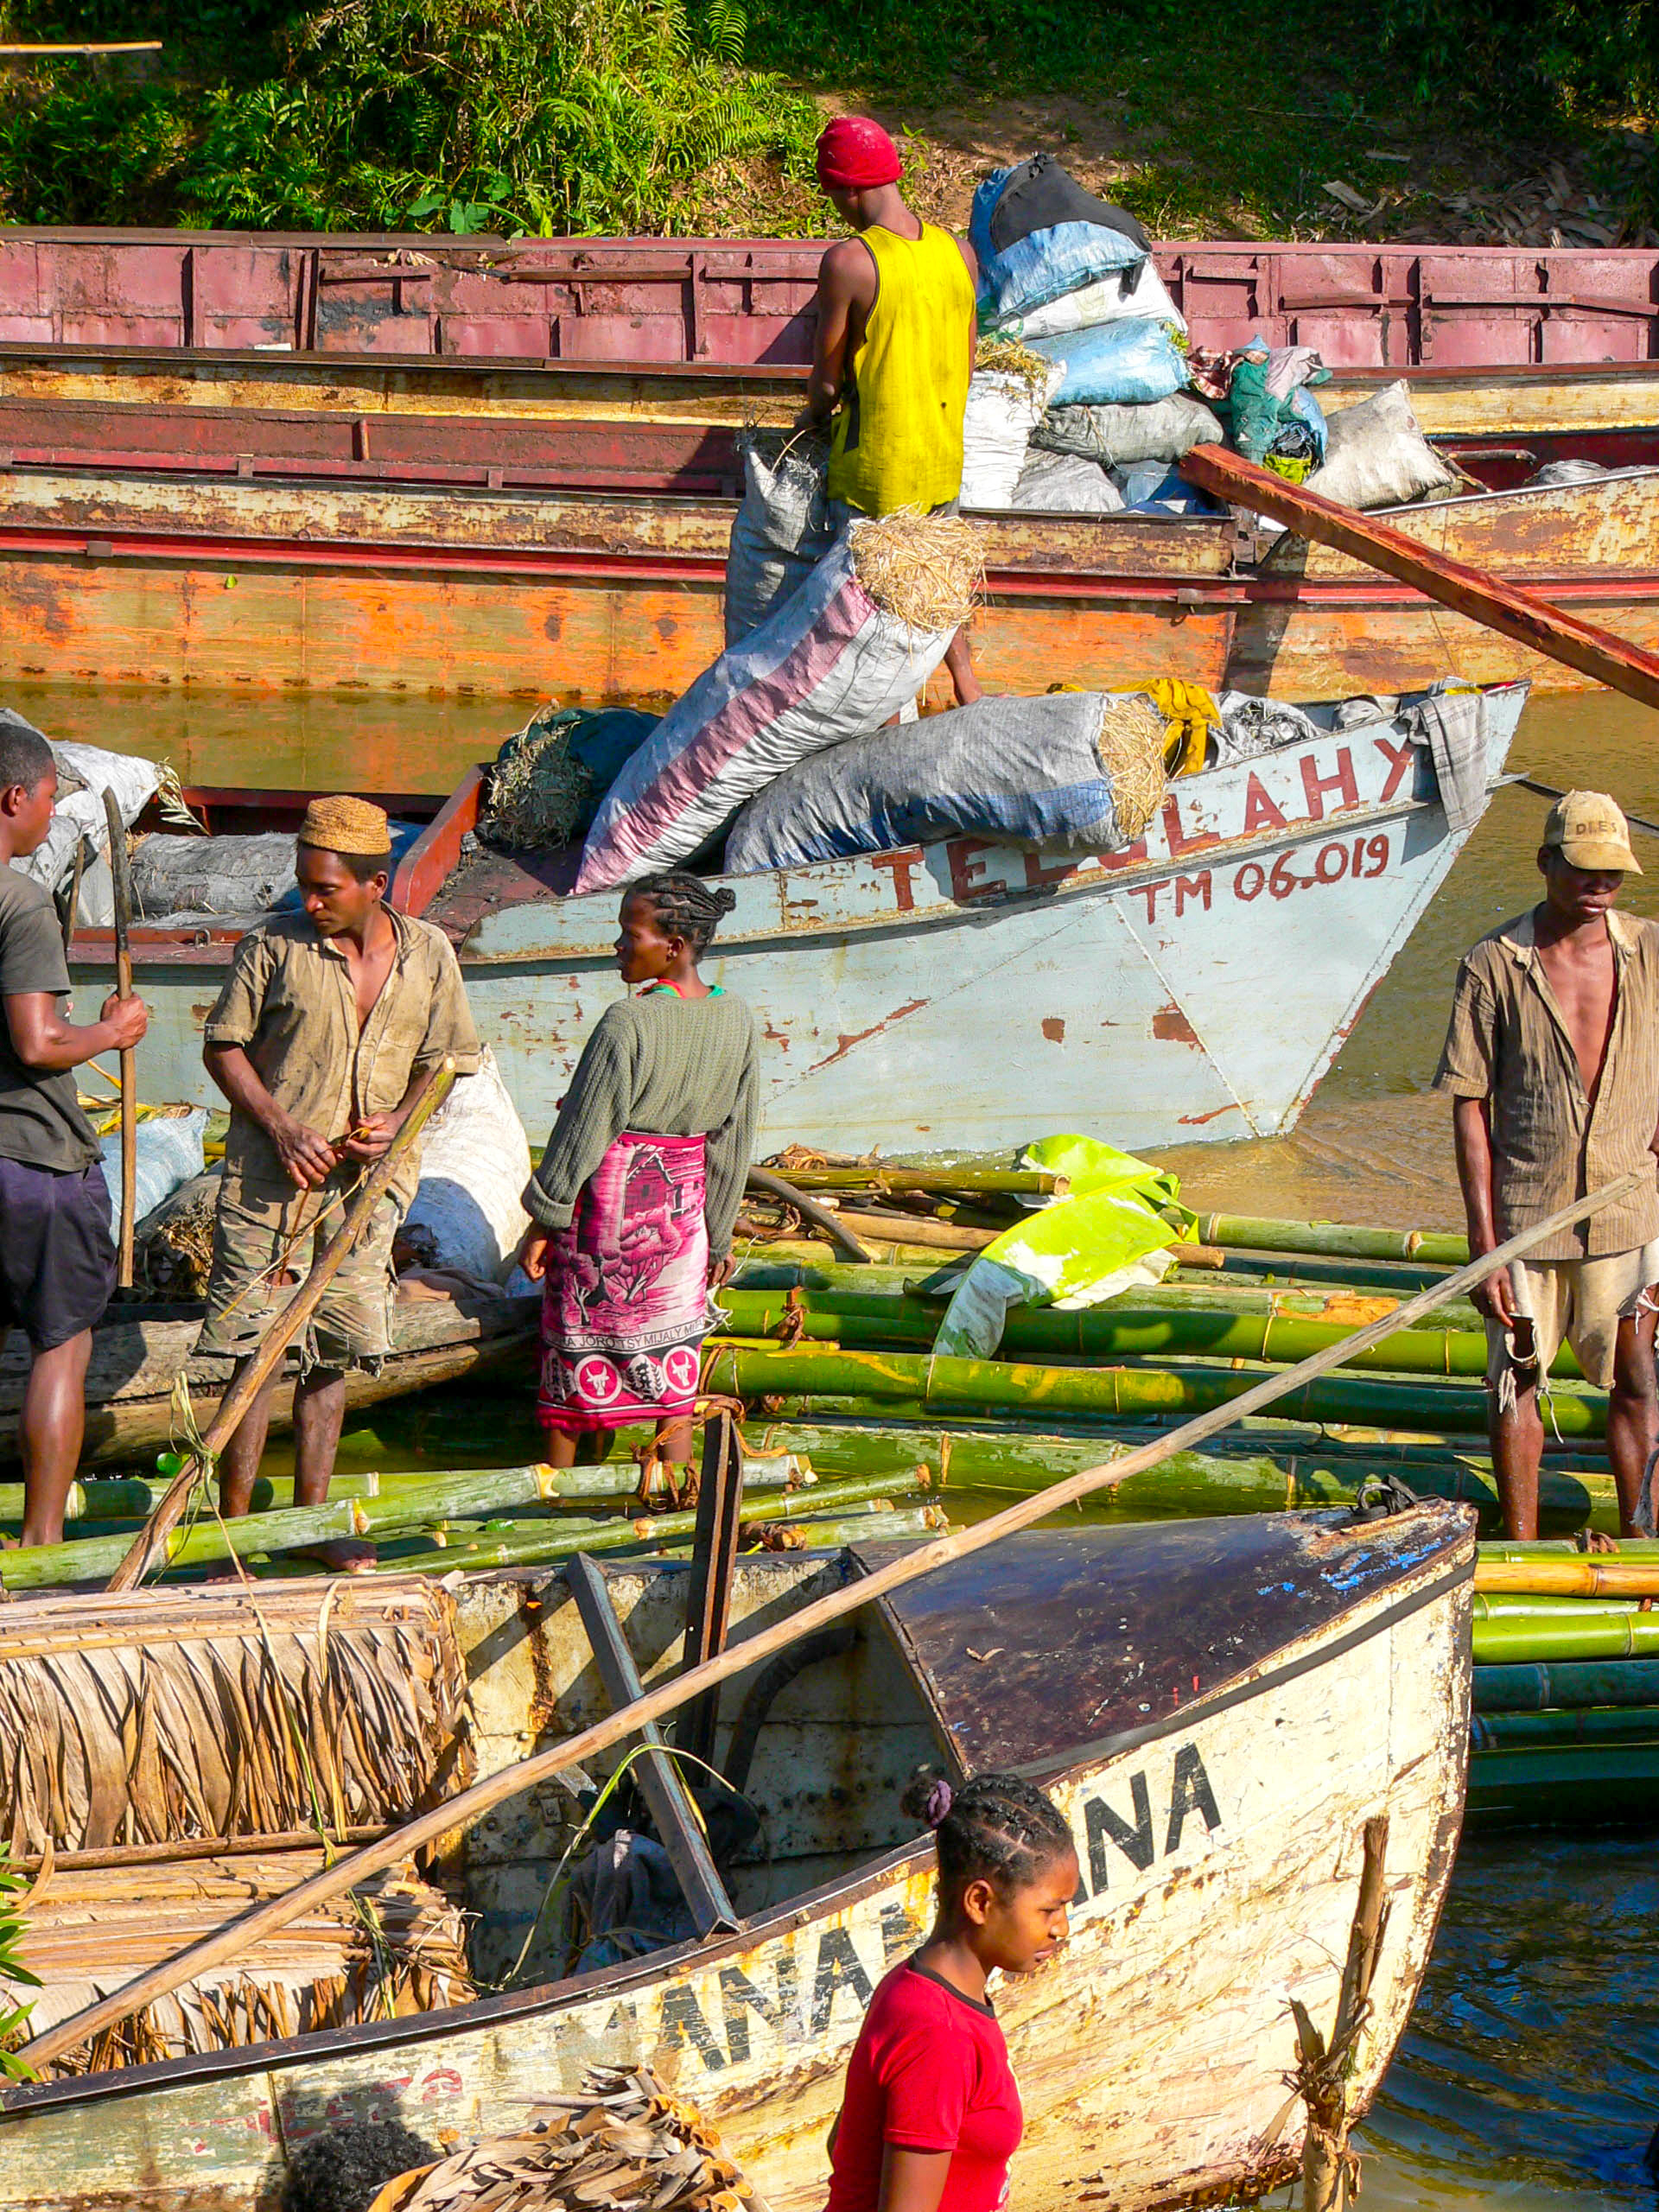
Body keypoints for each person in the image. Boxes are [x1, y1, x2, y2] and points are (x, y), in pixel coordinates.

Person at [197, 794, 480, 1572]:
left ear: (375, 884)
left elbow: (448, 1059)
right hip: (269, 1183)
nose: (310, 901)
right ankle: (235, 1532)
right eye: (304, 884)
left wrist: (401, 1119)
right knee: (255, 1352)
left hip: (367, 1189)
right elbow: (224, 1048)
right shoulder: (272, 947)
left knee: (331, 1355)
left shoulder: (428, 955)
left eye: (326, 889)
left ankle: (311, 1525)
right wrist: (282, 1126)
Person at [1435, 791, 1659, 1541]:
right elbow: (1471, 1105)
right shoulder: (1494, 964)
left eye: (1613, 874)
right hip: (1529, 1216)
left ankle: (1641, 1536)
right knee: (1516, 1383)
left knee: (1637, 1381)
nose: (1599, 886)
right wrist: (1484, 1245)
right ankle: (1524, 1546)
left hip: (1629, 1212)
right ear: (1546, 864)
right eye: (1584, 869)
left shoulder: (1652, 951)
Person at [518, 871, 759, 1491]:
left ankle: (550, 1501)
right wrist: (718, 1234)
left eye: (631, 935)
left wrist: (544, 1218)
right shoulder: (737, 1018)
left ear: (673, 946)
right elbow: (734, 1141)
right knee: (673, 1370)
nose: (619, 947)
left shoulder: (628, 1022)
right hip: (682, 1222)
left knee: (573, 1353)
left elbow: (583, 1130)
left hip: (606, 1211)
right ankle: (677, 1502)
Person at [0, 720, 148, 1545]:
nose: (53, 815)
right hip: (31, 1159)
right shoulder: (17, 900)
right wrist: (112, 1032)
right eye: (52, 799)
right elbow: (37, 1044)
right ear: (13, 798)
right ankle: (40, 1544)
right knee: (60, 1343)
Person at [824, 1770, 1077, 2212]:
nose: (1062, 1929)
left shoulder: (914, 1984)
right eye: (1049, 1910)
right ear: (979, 1902)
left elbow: (846, 2140)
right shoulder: (941, 2031)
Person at [805, 115, 981, 709]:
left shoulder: (850, 262)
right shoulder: (957, 252)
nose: (836, 208)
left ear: (849, 189)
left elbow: (827, 382)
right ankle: (967, 688)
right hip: (940, 457)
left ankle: (877, 727)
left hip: (875, 474)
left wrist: (813, 420)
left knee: (864, 622)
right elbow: (968, 358)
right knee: (940, 580)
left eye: (833, 196)